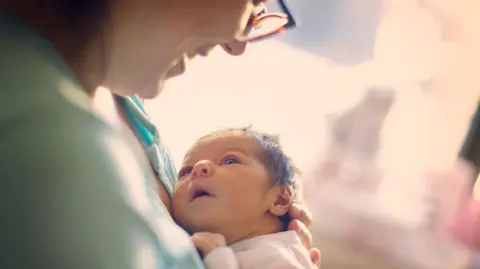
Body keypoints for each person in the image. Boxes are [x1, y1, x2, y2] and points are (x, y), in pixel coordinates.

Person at [0, 1, 318, 269]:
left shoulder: (127, 105)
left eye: (231, 160)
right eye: (254, 4)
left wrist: (255, 244)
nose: (237, 44)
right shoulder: (42, 133)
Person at [172, 127, 317, 269]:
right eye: (186, 171)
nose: (199, 167)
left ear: (280, 200)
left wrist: (218, 260)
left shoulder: (275, 253)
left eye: (229, 161)